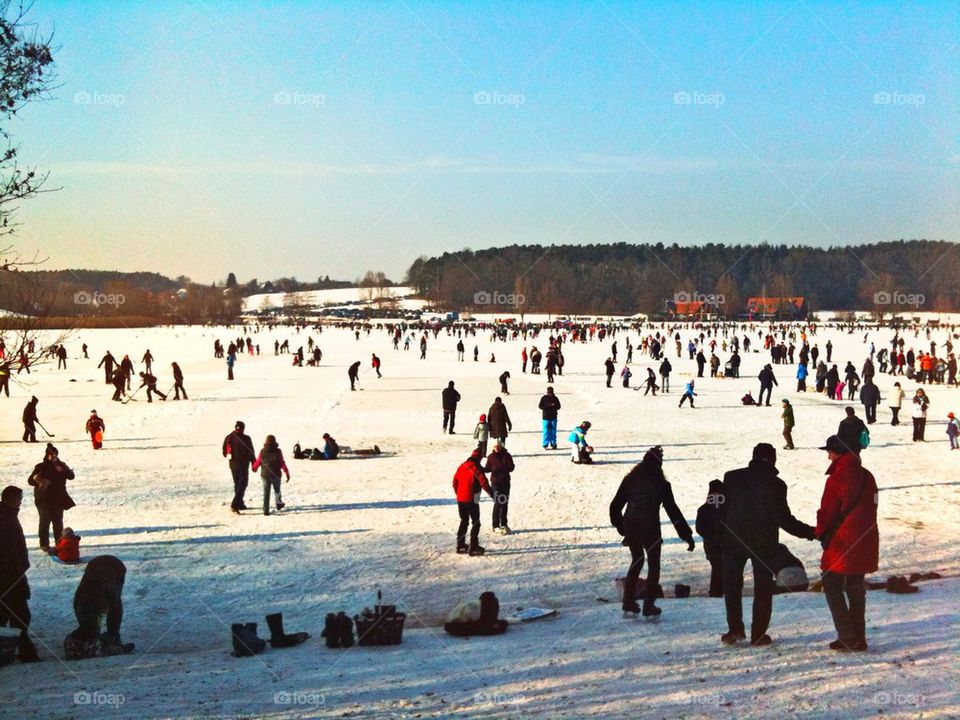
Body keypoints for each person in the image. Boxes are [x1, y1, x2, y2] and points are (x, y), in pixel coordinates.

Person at [720, 443, 816, 646]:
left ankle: (735, 629)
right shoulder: (776, 484)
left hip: (733, 540)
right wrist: (812, 532)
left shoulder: (731, 477)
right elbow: (784, 519)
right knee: (762, 588)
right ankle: (758, 635)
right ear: (772, 460)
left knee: (732, 586)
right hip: (763, 542)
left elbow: (721, 510)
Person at [609, 446, 695, 617]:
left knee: (637, 560)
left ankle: (628, 602)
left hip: (631, 526)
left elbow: (615, 507)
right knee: (654, 565)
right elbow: (673, 511)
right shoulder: (662, 484)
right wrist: (686, 535)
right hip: (651, 529)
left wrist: (622, 528)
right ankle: (648, 605)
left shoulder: (630, 480)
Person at [815, 435, 878, 652]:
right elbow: (872, 506)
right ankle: (858, 637)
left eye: (830, 452)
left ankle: (847, 635)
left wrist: (819, 531)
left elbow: (828, 511)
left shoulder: (837, 477)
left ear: (840, 454)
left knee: (831, 584)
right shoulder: (867, 476)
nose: (828, 456)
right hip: (865, 539)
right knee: (855, 587)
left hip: (842, 540)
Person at [64, 555, 135, 659]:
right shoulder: (104, 598)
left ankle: (109, 639)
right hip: (106, 572)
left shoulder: (86, 598)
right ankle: (111, 642)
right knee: (94, 622)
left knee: (92, 621)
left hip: (107, 570)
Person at [0, 486, 40, 662]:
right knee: (19, 614)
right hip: (10, 576)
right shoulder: (6, 519)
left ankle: (22, 651)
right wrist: (20, 566)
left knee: (12, 614)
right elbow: (10, 549)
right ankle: (25, 652)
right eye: (19, 499)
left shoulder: (8, 516)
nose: (20, 503)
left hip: (12, 574)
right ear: (10, 499)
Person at [27, 443, 75, 553]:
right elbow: (30, 480)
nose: (55, 458)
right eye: (53, 456)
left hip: (58, 498)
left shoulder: (61, 465)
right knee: (45, 522)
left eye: (56, 456)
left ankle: (59, 542)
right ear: (48, 456)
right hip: (44, 499)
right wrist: (39, 480)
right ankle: (44, 544)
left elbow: (71, 476)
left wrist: (64, 469)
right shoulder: (41, 467)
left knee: (58, 522)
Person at [452, 450, 492, 556]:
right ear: (478, 458)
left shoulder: (462, 466)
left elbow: (454, 481)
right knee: (476, 522)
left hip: (460, 499)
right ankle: (473, 547)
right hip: (471, 499)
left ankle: (460, 545)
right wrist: (493, 495)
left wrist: (459, 493)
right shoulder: (476, 468)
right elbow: (484, 482)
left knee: (464, 521)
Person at [695, 480, 725, 598]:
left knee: (718, 567)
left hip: (712, 545)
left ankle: (717, 591)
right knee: (720, 567)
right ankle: (718, 590)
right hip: (717, 545)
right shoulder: (726, 508)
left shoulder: (704, 509)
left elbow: (700, 528)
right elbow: (700, 528)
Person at [252, 435, 290, 516]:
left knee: (266, 492)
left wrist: (254, 467)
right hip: (276, 474)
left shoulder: (262, 451)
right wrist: (286, 472)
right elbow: (282, 462)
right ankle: (279, 504)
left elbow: (259, 461)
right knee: (277, 490)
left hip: (265, 474)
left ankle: (266, 510)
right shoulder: (278, 451)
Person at [223, 421, 255, 513]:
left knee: (238, 484)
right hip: (243, 465)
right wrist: (253, 462)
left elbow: (224, 452)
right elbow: (251, 451)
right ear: (243, 428)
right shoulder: (246, 438)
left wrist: (231, 456)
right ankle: (235, 504)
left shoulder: (229, 437)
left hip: (233, 465)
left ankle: (240, 503)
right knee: (243, 484)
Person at [484, 441, 515, 534]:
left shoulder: (507, 455)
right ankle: (495, 525)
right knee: (498, 502)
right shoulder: (490, 457)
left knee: (504, 503)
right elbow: (487, 469)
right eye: (495, 446)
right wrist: (480, 468)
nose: (496, 448)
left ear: (501, 446)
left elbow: (512, 467)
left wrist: (502, 469)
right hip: (495, 482)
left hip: (505, 482)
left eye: (498, 446)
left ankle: (504, 524)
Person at [538, 386, 561, 450]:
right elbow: (540, 406)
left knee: (553, 431)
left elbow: (559, 407)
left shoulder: (555, 398)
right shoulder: (544, 398)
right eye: (549, 392)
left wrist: (554, 406)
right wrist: (547, 406)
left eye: (551, 392)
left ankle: (553, 443)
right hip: (546, 417)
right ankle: (545, 443)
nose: (550, 393)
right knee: (546, 431)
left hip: (553, 417)